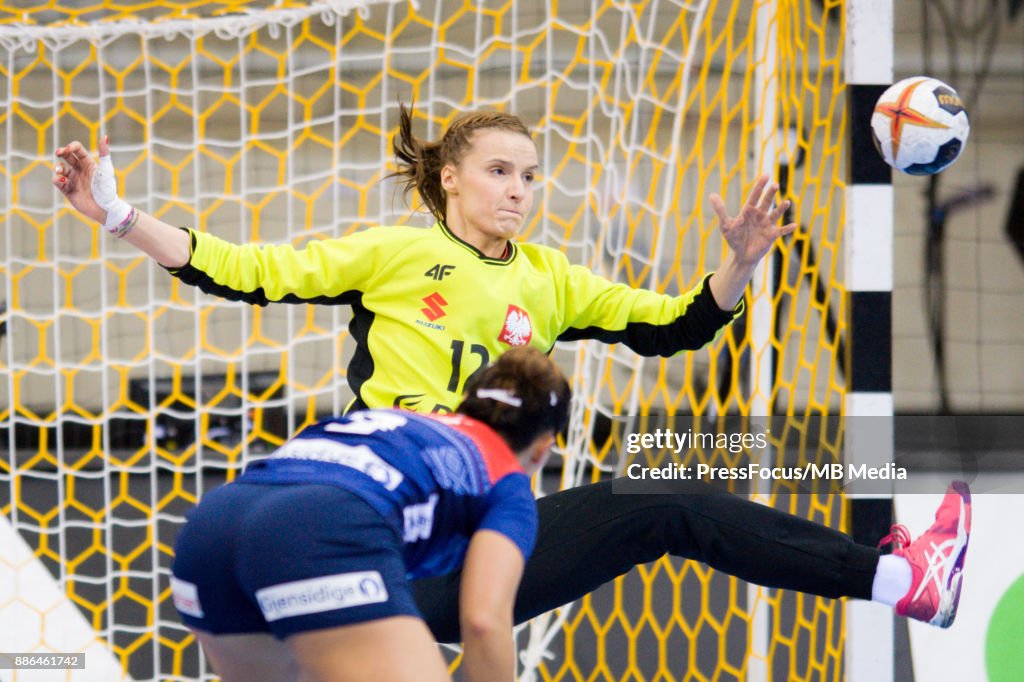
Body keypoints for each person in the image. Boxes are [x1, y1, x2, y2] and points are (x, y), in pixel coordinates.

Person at [55, 105, 970, 648]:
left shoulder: (551, 278)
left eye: (530, 174)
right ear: (449, 179)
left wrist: (735, 267)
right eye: (499, 171)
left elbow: (672, 326)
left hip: (488, 534)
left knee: (665, 504)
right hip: (394, 534)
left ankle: (898, 581)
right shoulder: (393, 254)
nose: (519, 189)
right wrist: (119, 212)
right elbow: (245, 268)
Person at [170, 346, 572, 682]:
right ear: (542, 448)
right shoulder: (504, 477)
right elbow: (484, 621)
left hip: (212, 526)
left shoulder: (399, 423)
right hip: (319, 529)